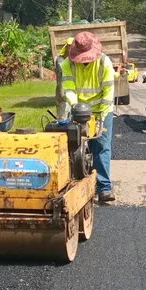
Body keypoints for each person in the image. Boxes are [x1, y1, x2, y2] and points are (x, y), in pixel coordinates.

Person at [60, 32, 116, 202]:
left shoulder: (104, 62)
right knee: (75, 146)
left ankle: (104, 188)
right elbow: (68, 88)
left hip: (101, 110)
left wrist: (100, 117)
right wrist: (77, 108)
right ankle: (77, 183)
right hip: (78, 110)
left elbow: (108, 92)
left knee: (101, 145)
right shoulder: (67, 64)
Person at [54, 37, 74, 119]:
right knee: (63, 117)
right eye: (70, 46)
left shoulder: (74, 60)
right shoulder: (60, 60)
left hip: (73, 92)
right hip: (63, 92)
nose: (72, 48)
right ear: (66, 47)